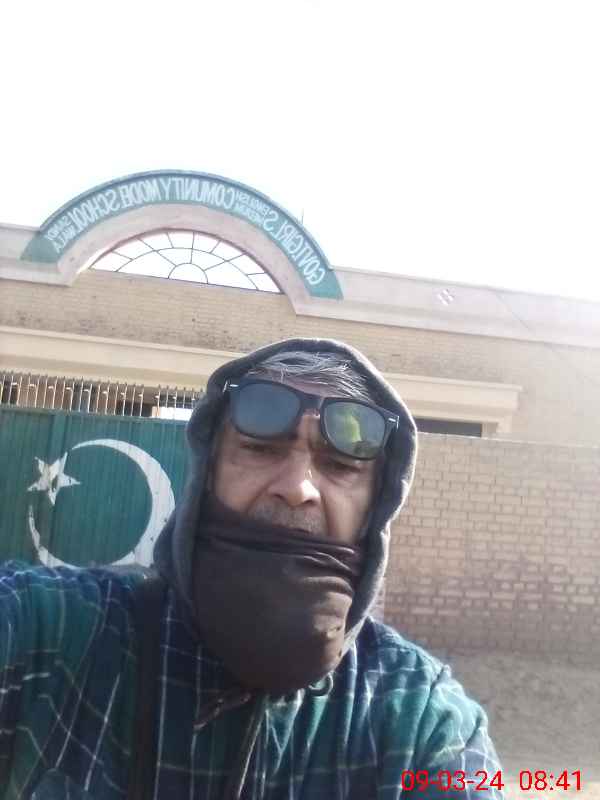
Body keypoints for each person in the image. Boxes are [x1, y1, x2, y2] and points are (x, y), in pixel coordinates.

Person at [0, 337, 504, 799]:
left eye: (340, 465)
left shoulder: (422, 720)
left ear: (374, 508)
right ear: (207, 477)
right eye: (261, 449)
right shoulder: (53, 632)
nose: (298, 487)